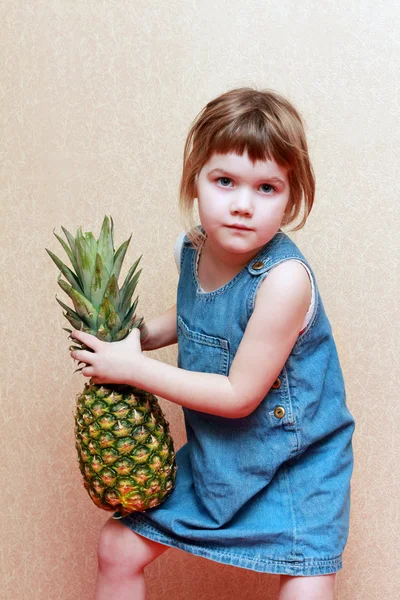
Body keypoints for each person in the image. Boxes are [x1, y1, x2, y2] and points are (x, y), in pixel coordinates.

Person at [71, 87, 356, 600]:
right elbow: (196, 315)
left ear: (293, 197)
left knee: (306, 582)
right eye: (225, 181)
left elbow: (237, 395)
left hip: (294, 468)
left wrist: (131, 369)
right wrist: (134, 339)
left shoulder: (283, 282)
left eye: (267, 188)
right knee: (118, 546)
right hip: (221, 457)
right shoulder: (195, 248)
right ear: (195, 182)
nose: (243, 205)